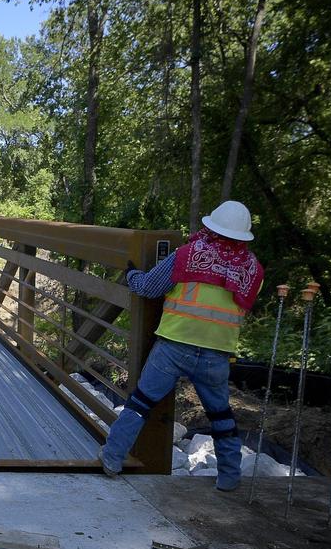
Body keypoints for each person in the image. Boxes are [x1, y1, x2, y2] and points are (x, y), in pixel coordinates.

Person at [100, 200, 265, 492]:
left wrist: (132, 275)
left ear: (211, 227)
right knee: (221, 415)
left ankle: (112, 459)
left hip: (173, 346)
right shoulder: (253, 271)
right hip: (217, 354)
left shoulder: (188, 255)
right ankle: (229, 477)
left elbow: (148, 288)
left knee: (139, 404)